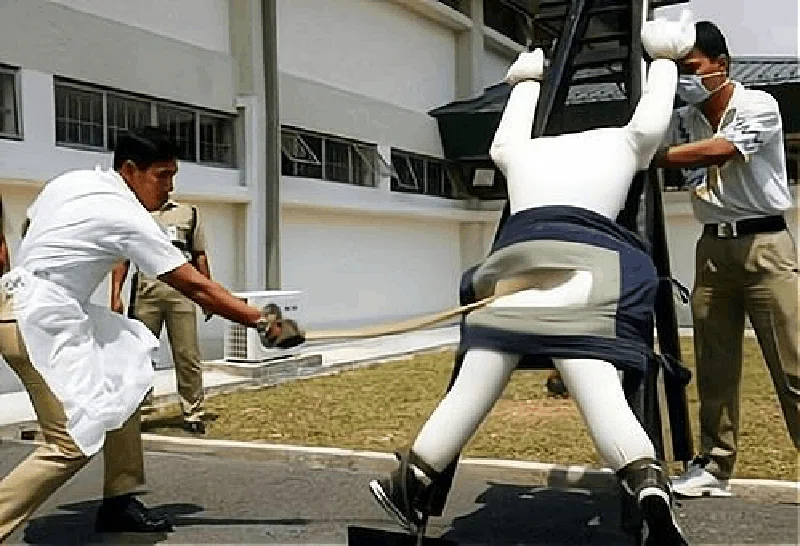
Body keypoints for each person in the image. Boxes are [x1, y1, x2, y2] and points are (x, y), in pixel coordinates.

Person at [368, 11, 698, 546]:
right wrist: (661, 60)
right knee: (602, 396)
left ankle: (414, 478)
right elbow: (650, 125)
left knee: (474, 380)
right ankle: (651, 495)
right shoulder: (619, 143)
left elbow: (502, 145)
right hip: (589, 273)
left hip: (515, 274)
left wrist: (526, 82)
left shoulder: (523, 151)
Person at [0, 126, 276, 540]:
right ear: (130, 170)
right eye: (162, 175)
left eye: (173, 176)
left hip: (39, 308)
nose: (170, 188)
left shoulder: (73, 183)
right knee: (71, 443)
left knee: (125, 374)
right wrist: (261, 321)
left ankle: (119, 500)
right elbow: (196, 286)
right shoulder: (125, 215)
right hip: (39, 324)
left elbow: (30, 224)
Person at [654, 20, 799, 497]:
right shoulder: (686, 117)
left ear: (721, 64)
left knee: (794, 366)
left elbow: (720, 151)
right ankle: (714, 468)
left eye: (692, 68)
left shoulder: (758, 105)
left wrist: (656, 157)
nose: (686, 79)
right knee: (715, 367)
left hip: (765, 249)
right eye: (679, 71)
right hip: (712, 250)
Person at [111, 199, 212, 434]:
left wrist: (207, 294)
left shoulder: (188, 213)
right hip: (147, 290)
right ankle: (139, 412)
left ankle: (192, 412)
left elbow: (199, 255)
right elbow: (122, 259)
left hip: (182, 291)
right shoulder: (134, 212)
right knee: (140, 355)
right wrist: (115, 295)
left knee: (187, 354)